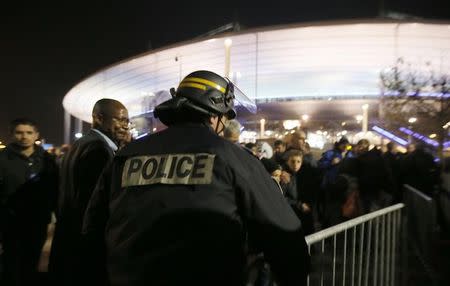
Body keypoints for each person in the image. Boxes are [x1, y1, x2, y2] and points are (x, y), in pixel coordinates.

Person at [82, 70, 310, 286]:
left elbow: (93, 228)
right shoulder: (233, 158)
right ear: (214, 114)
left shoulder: (124, 156)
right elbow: (284, 235)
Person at [49, 98, 129, 286]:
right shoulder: (99, 149)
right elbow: (95, 201)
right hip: (85, 239)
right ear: (99, 118)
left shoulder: (81, 143)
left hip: (68, 232)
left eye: (127, 121)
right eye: (121, 119)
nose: (126, 126)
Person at [0, 118, 58, 285]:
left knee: (32, 262)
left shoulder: (46, 158)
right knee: (11, 264)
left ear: (36, 135)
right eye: (19, 132)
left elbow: (54, 186)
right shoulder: (3, 159)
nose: (24, 136)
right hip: (11, 222)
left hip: (38, 221)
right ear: (12, 135)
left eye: (28, 132)